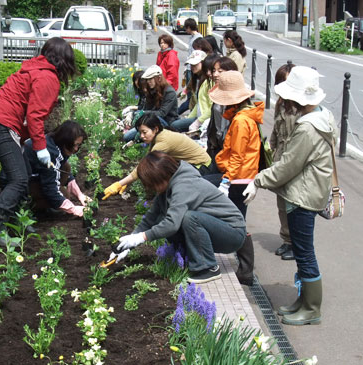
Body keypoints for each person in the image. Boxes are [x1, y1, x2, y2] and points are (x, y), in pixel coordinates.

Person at [243, 66, 337, 325]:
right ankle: (303, 301)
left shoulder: (307, 128)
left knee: (305, 253)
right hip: (313, 190)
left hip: (302, 195)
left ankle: (312, 309)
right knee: (304, 251)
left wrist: (258, 180)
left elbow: (288, 166)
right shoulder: (324, 115)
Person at [0, 37, 76, 247]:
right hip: (2, 125)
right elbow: (34, 116)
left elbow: (27, 114)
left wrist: (30, 142)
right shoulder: (47, 78)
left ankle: (18, 220)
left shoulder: (37, 71)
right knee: (19, 179)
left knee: (19, 172)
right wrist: (41, 148)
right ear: (64, 61)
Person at [113, 151, 247, 284]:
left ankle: (208, 268)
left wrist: (141, 237)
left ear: (161, 176)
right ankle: (188, 258)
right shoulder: (167, 187)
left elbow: (171, 224)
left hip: (232, 233)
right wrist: (127, 245)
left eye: (153, 184)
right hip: (214, 229)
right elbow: (150, 219)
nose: (152, 188)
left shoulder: (183, 185)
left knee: (187, 218)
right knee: (164, 219)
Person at [207, 70, 264, 286]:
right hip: (243, 177)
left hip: (238, 179)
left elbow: (238, 155)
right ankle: (246, 270)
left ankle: (246, 270)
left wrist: (225, 181)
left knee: (236, 222)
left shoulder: (241, 121)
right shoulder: (246, 116)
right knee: (237, 220)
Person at [104, 113, 214, 199]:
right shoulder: (160, 135)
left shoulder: (163, 142)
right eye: (140, 132)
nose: (142, 136)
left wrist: (119, 183)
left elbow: (146, 165)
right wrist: (127, 182)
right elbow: (148, 158)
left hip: (202, 167)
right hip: (195, 164)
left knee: (166, 181)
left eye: (144, 132)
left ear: (155, 129)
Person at [24, 120, 89, 217]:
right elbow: (49, 188)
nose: (76, 149)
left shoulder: (55, 143)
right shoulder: (50, 153)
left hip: (37, 175)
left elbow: (61, 168)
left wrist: (80, 195)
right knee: (64, 195)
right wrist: (73, 209)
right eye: (74, 145)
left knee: (66, 167)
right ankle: (31, 207)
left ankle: (45, 205)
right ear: (65, 140)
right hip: (23, 184)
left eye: (78, 145)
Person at [270, 63, 299, 261]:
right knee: (282, 204)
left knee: (294, 205)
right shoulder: (281, 103)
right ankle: (287, 240)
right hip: (280, 159)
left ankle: (297, 244)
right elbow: (275, 130)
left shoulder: (301, 107)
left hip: (295, 163)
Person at [123, 65, 178, 142]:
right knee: (127, 137)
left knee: (139, 135)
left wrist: (143, 113)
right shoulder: (153, 90)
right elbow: (146, 108)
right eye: (147, 79)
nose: (148, 82)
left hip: (166, 122)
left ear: (159, 78)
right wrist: (133, 113)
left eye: (150, 79)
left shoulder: (169, 92)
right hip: (152, 120)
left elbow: (162, 113)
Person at [171, 53, 219, 133]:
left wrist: (198, 122)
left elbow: (213, 107)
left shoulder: (213, 82)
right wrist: (190, 118)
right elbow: (199, 104)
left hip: (206, 119)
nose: (192, 67)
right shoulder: (201, 80)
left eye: (195, 64)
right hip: (199, 116)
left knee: (175, 125)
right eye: (191, 65)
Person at [206, 57, 238, 159]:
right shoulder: (215, 92)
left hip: (228, 151)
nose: (215, 74)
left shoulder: (236, 99)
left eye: (220, 71)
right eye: (214, 71)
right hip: (218, 146)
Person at [181, 18, 203, 113]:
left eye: (186, 28)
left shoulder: (198, 38)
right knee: (190, 92)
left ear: (189, 27)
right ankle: (192, 111)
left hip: (193, 67)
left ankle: (191, 111)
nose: (186, 30)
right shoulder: (191, 37)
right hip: (189, 67)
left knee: (193, 93)